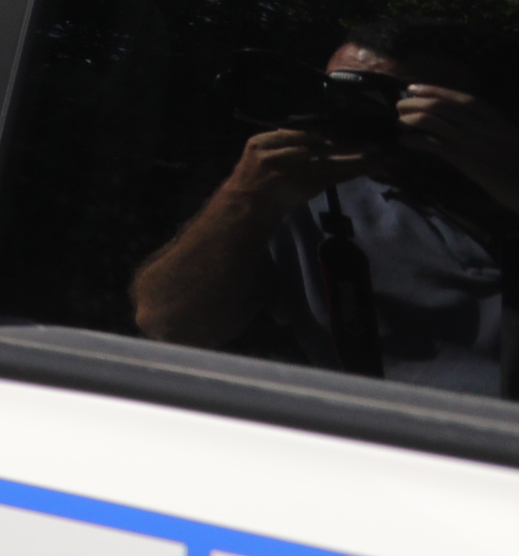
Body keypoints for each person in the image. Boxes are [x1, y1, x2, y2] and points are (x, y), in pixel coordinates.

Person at [131, 20, 519, 394]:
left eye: (402, 105)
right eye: (335, 97)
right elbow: (170, 326)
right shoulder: (305, 201)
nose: (354, 120)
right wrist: (244, 199)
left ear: (492, 114)